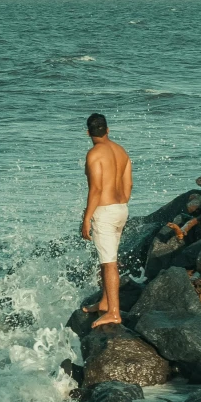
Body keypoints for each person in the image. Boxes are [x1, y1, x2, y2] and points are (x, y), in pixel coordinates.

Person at [81, 113, 132, 327]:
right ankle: (104, 303)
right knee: (107, 259)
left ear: (88, 133)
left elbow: (97, 189)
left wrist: (86, 218)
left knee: (109, 263)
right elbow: (128, 186)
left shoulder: (94, 154)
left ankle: (113, 312)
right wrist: (118, 205)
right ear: (107, 130)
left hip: (104, 211)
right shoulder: (121, 151)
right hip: (121, 208)